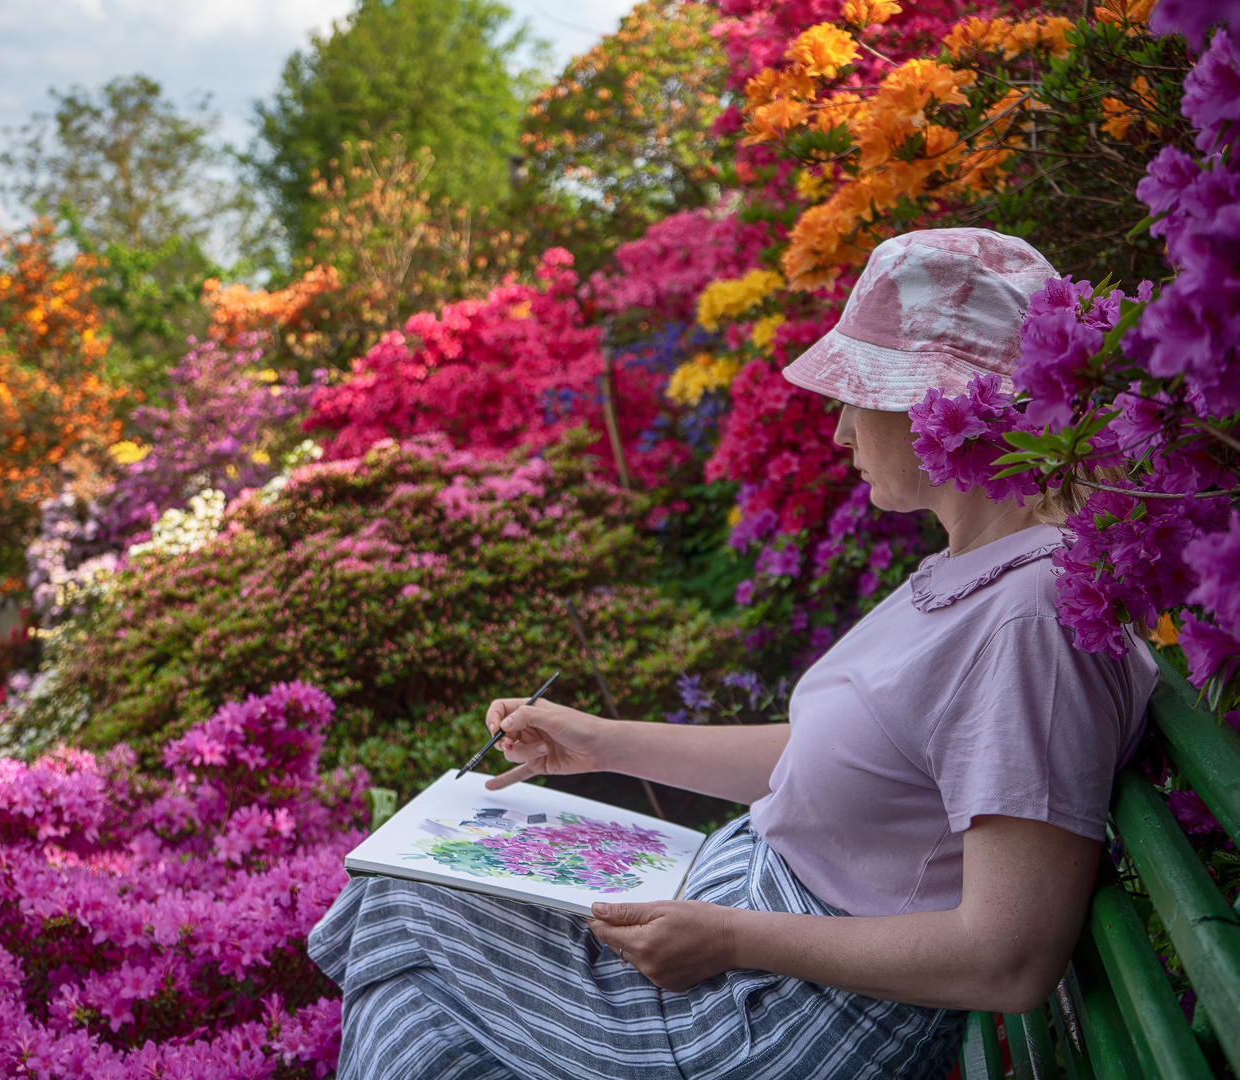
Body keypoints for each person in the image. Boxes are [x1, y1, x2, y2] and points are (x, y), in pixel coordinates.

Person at [307, 228, 1158, 1080]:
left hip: (767, 1020)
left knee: (406, 923)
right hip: (746, 956)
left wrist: (729, 938)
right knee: (411, 928)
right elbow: (842, 766)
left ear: (937, 406)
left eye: (855, 395)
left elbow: (1006, 958)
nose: (838, 432)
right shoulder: (979, 570)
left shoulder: (1030, 615)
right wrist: (600, 741)